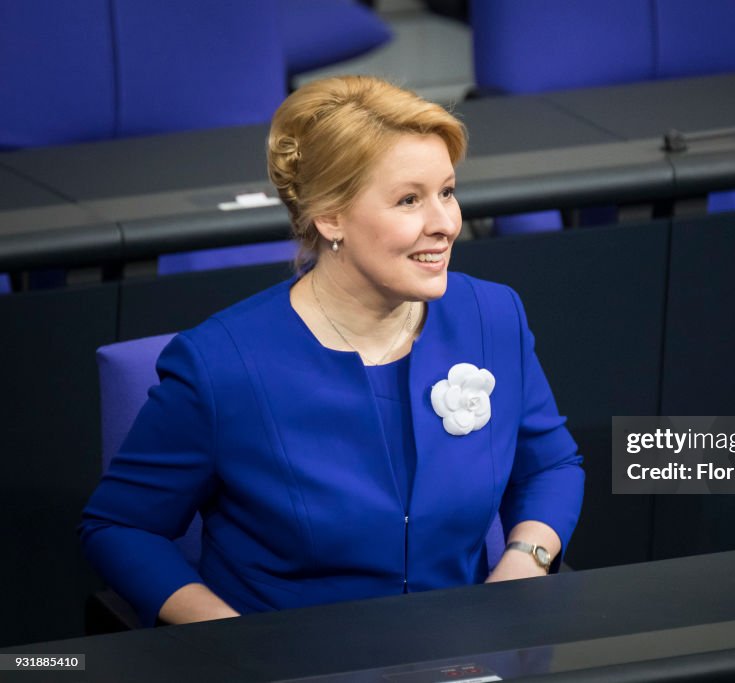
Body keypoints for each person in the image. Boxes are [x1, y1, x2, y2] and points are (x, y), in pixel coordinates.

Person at [79, 76, 585, 627]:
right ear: (331, 218)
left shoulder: (493, 316)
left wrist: (525, 561)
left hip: (465, 649)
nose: (445, 224)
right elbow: (122, 527)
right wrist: (225, 637)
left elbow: (550, 466)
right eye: (409, 200)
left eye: (447, 192)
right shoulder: (220, 365)